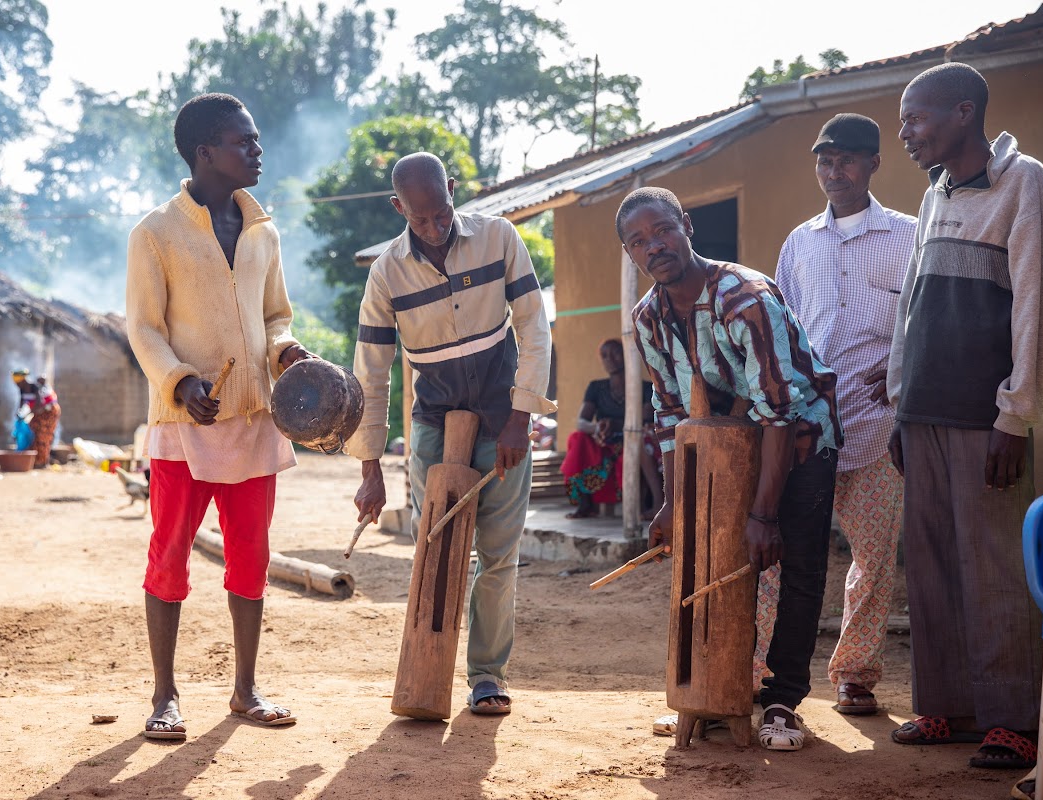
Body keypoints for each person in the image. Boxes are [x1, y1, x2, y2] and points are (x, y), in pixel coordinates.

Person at [620, 186, 841, 751]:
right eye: (638, 242)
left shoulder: (745, 297)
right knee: (712, 560)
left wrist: (764, 514)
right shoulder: (648, 319)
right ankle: (719, 692)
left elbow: (778, 411)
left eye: (662, 231)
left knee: (795, 566)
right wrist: (674, 504)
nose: (654, 247)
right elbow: (670, 418)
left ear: (687, 226)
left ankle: (784, 701)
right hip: (726, 452)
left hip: (798, 442)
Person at [126, 92, 314, 741]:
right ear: (206, 152)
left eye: (256, 139)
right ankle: (164, 695)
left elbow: (276, 314)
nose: (256, 150)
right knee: (170, 555)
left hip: (253, 419)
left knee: (251, 557)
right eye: (244, 141)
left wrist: (287, 349)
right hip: (185, 426)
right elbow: (144, 329)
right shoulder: (155, 232)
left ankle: (245, 689)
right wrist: (180, 384)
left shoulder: (264, 230)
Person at [887, 62, 1043, 783]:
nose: (906, 135)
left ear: (962, 113)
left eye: (916, 119)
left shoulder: (1026, 183)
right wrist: (899, 399)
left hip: (984, 417)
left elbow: (1035, 305)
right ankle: (945, 706)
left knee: (994, 568)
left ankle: (1012, 720)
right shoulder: (933, 192)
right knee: (930, 565)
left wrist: (1015, 415)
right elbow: (911, 307)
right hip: (922, 408)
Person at [349, 152, 555, 715]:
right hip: (434, 427)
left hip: (501, 424)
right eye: (421, 220)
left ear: (453, 191)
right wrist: (371, 468)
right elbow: (371, 371)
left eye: (442, 213)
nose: (436, 228)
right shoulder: (387, 272)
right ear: (399, 209)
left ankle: (487, 675)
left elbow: (534, 327)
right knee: (434, 550)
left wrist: (521, 415)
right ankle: (427, 671)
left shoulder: (499, 238)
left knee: (498, 555)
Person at [765, 113, 916, 715]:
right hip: (807, 430)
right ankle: (759, 669)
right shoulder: (799, 243)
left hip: (878, 426)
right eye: (825, 160)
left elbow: (922, 321)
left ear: (875, 163)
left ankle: (854, 672)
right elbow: (781, 328)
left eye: (847, 159)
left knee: (874, 559)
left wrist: (904, 373)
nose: (835, 171)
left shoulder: (908, 236)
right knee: (778, 556)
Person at [560, 338, 661, 519]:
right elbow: (581, 422)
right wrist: (597, 427)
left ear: (626, 355)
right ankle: (585, 505)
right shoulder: (596, 387)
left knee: (641, 440)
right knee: (577, 438)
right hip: (604, 442)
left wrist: (617, 424)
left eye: (615, 353)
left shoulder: (645, 388)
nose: (609, 359)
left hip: (632, 440)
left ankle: (652, 504)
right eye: (604, 355)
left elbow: (646, 417)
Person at [30, 374, 62, 467]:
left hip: (47, 419)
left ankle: (42, 461)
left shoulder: (46, 391)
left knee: (43, 439)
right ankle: (38, 461)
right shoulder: (41, 391)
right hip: (43, 418)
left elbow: (45, 407)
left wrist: (33, 411)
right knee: (39, 438)